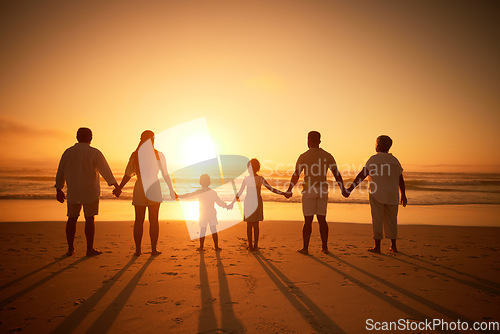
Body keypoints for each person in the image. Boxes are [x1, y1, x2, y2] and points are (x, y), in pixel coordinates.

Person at [55, 127, 119, 256]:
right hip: (90, 191)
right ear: (91, 138)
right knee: (90, 219)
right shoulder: (94, 152)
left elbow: (61, 171)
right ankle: (89, 249)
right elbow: (105, 170)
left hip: (73, 190)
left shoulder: (68, 152)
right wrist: (115, 185)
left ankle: (70, 249)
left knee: (71, 218)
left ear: (77, 137)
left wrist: (59, 188)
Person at [113, 130, 177, 256]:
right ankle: (153, 249)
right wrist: (171, 189)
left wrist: (119, 188)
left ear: (141, 139)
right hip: (153, 186)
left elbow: (128, 174)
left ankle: (138, 250)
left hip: (140, 187)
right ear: (153, 139)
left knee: (138, 221)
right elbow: (165, 173)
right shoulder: (158, 154)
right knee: (154, 220)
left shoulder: (135, 155)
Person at [285, 131, 349, 255]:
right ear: (319, 141)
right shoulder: (327, 155)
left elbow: (296, 174)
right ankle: (324, 248)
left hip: (309, 190)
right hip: (322, 190)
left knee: (308, 220)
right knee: (322, 219)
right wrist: (343, 189)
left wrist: (289, 189)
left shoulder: (303, 156)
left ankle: (305, 248)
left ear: (308, 141)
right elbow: (336, 173)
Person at [346, 135, 407, 253]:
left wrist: (350, 189)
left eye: (376, 143)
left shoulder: (373, 159)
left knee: (377, 219)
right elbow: (400, 179)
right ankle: (393, 246)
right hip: (392, 194)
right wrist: (403, 194)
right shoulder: (394, 160)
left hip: (376, 194)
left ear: (378, 146)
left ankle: (377, 247)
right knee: (392, 220)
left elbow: (362, 175)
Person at [230, 158, 288, 251]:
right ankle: (253, 245)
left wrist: (283, 193)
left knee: (251, 225)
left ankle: (252, 245)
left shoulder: (253, 179)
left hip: (251, 202)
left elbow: (270, 189)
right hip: (253, 202)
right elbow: (271, 189)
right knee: (253, 225)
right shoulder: (254, 179)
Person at [178, 174, 229, 251]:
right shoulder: (213, 192)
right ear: (209, 182)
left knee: (202, 230)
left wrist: (178, 196)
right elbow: (219, 202)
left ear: (200, 183)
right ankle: (216, 246)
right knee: (213, 230)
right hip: (212, 213)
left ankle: (201, 246)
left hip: (203, 213)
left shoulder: (199, 192)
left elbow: (189, 195)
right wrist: (226, 205)